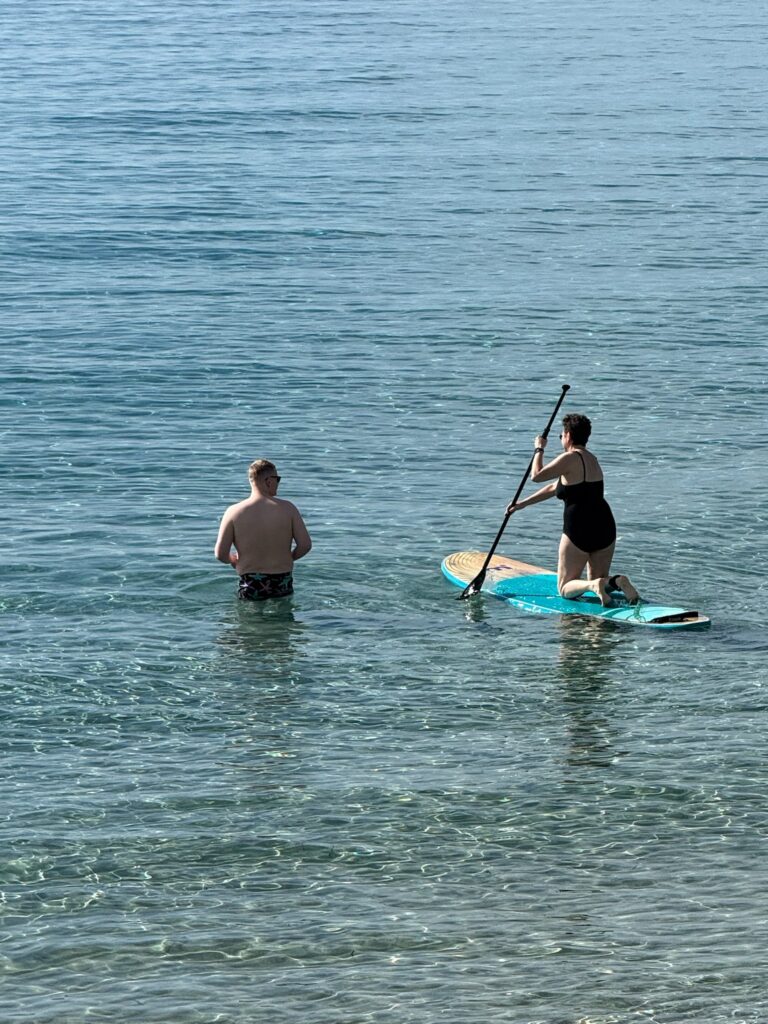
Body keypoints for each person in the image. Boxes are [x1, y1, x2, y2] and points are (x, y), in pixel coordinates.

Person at [506, 413, 639, 607]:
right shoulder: (593, 459)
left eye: (562, 435)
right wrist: (523, 503)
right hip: (605, 525)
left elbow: (536, 476)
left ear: (568, 436)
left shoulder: (569, 458)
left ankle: (594, 586)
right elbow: (556, 487)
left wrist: (539, 448)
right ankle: (616, 581)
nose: (561, 438)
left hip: (579, 526)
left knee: (565, 588)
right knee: (599, 580)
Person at [215, 459, 312, 601]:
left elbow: (220, 554)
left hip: (250, 581)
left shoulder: (233, 512)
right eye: (277, 479)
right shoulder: (288, 509)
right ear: (268, 481)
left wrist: (233, 561)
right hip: (282, 580)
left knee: (250, 615)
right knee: (283, 614)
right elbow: (305, 545)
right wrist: (288, 557)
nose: (278, 483)